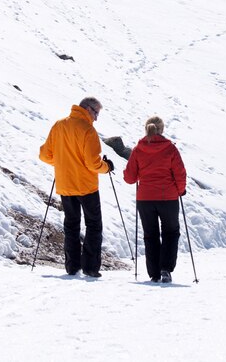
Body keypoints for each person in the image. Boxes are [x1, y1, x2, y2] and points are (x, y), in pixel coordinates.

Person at [39, 97, 114, 277]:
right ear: (87, 109)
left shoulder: (59, 125)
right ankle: (90, 267)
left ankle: (72, 267)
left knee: (71, 225)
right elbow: (93, 164)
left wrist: (62, 162)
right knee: (93, 225)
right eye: (96, 113)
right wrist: (107, 167)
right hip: (86, 186)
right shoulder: (87, 131)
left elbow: (44, 155)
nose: (96, 118)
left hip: (65, 184)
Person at [123, 115, 186, 283]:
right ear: (162, 130)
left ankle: (154, 273)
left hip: (145, 199)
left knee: (150, 235)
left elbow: (129, 178)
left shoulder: (138, 149)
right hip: (168, 198)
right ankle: (166, 269)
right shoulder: (170, 149)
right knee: (171, 233)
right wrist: (180, 191)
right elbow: (180, 174)